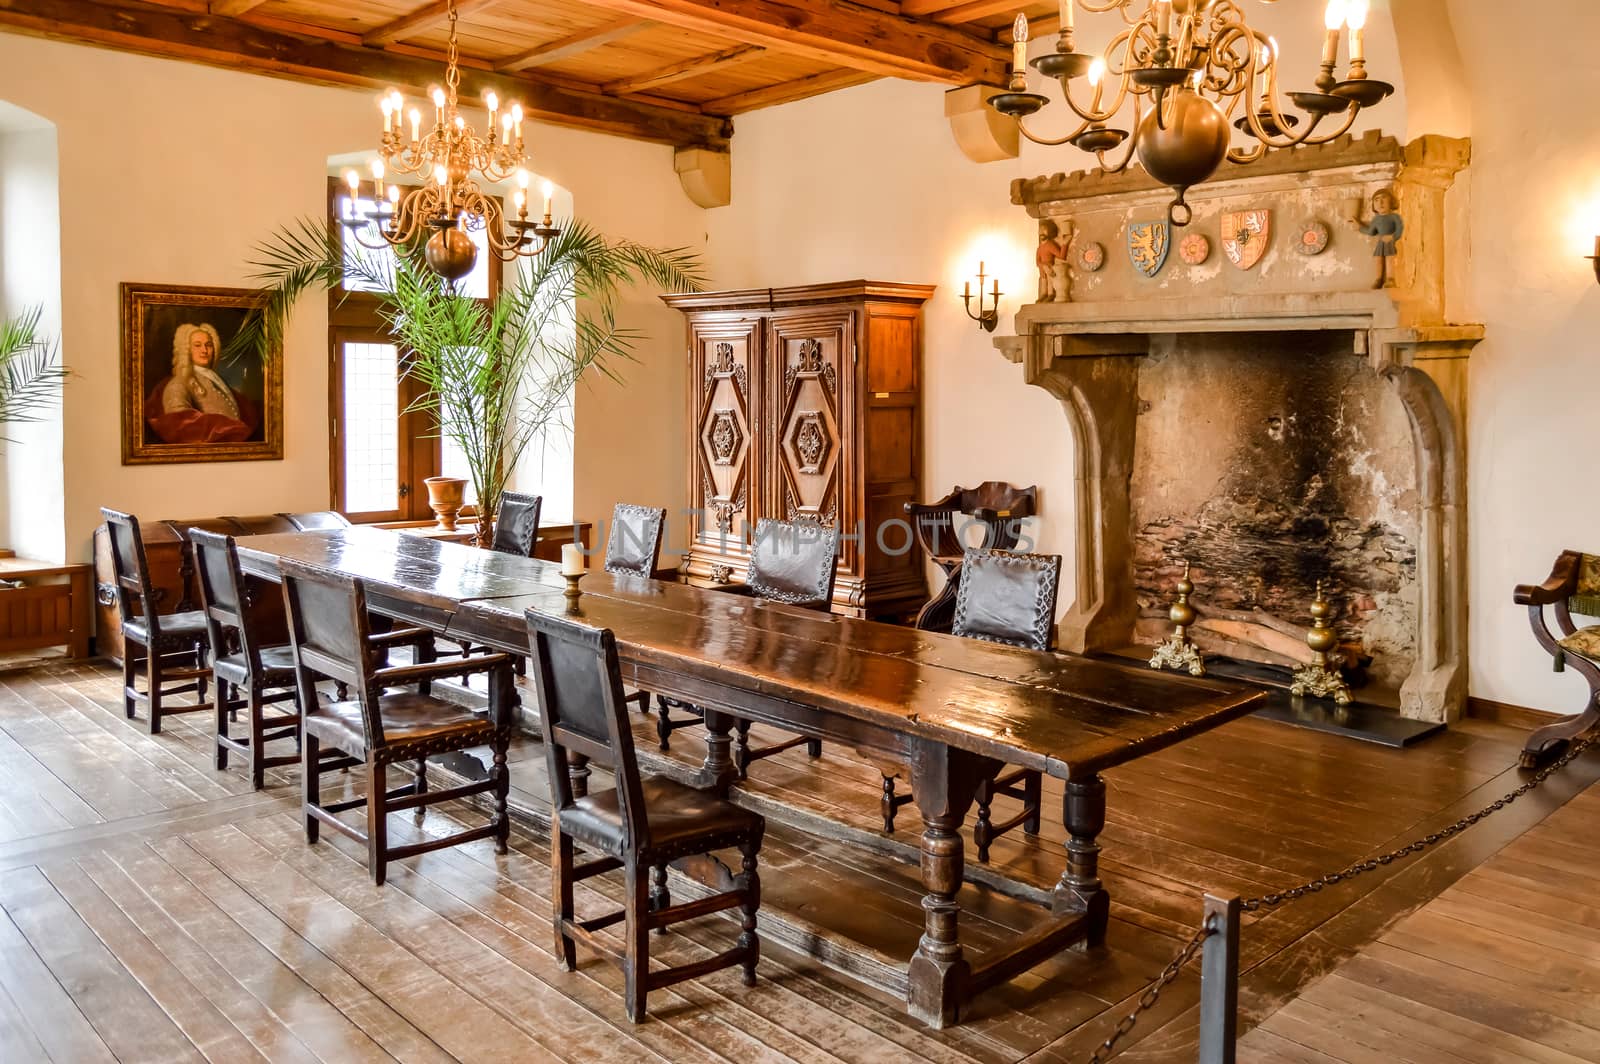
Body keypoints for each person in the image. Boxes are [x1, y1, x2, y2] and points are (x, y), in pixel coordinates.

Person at [145, 322, 259, 444]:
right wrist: (222, 427)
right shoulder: (179, 382)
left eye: (208, 345)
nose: (204, 350)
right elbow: (177, 421)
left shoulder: (215, 378)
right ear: (187, 350)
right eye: (197, 345)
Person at [1359, 188, 1404, 290]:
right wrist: (1359, 227)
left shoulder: (1394, 217)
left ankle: (1390, 278)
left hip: (1389, 241)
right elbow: (1371, 231)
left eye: (1384, 198)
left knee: (1389, 259)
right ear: (1374, 205)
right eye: (1377, 200)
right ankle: (1378, 279)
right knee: (1378, 259)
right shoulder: (1376, 219)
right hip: (1381, 242)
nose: (1381, 202)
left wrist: (1392, 237)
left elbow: (1399, 230)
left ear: (1391, 201)